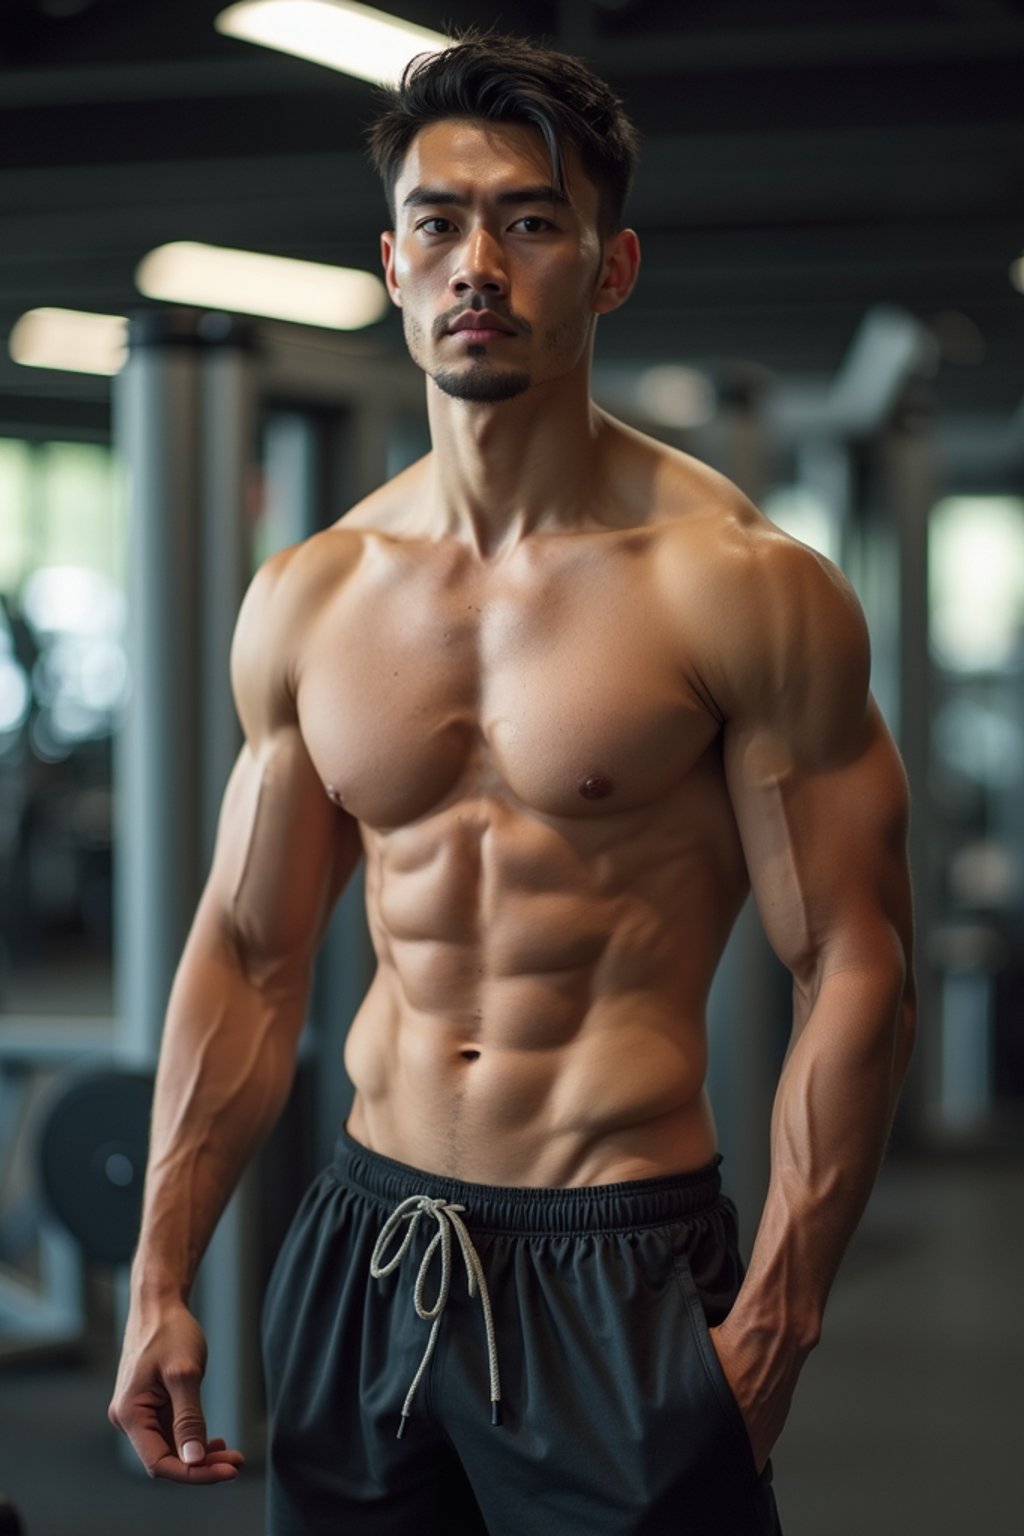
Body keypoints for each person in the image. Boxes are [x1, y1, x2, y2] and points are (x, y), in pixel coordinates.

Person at [109, 32, 916, 1536]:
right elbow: (248, 950)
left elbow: (855, 956)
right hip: (362, 1240)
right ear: (395, 263)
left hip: (615, 1266)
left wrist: (783, 1312)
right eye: (440, 222)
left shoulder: (738, 588)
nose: (479, 259)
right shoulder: (313, 595)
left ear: (607, 270)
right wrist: (162, 1273)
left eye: (530, 220)